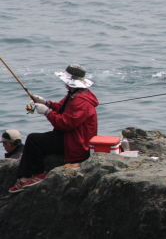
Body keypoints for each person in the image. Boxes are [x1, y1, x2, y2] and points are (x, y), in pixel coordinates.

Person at [8, 64, 99, 194]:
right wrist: (46, 103)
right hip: (69, 136)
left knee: (34, 139)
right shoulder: (75, 94)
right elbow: (61, 108)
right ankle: (24, 177)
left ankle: (37, 174)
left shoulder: (81, 101)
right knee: (36, 141)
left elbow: (64, 123)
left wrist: (46, 112)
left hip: (75, 142)